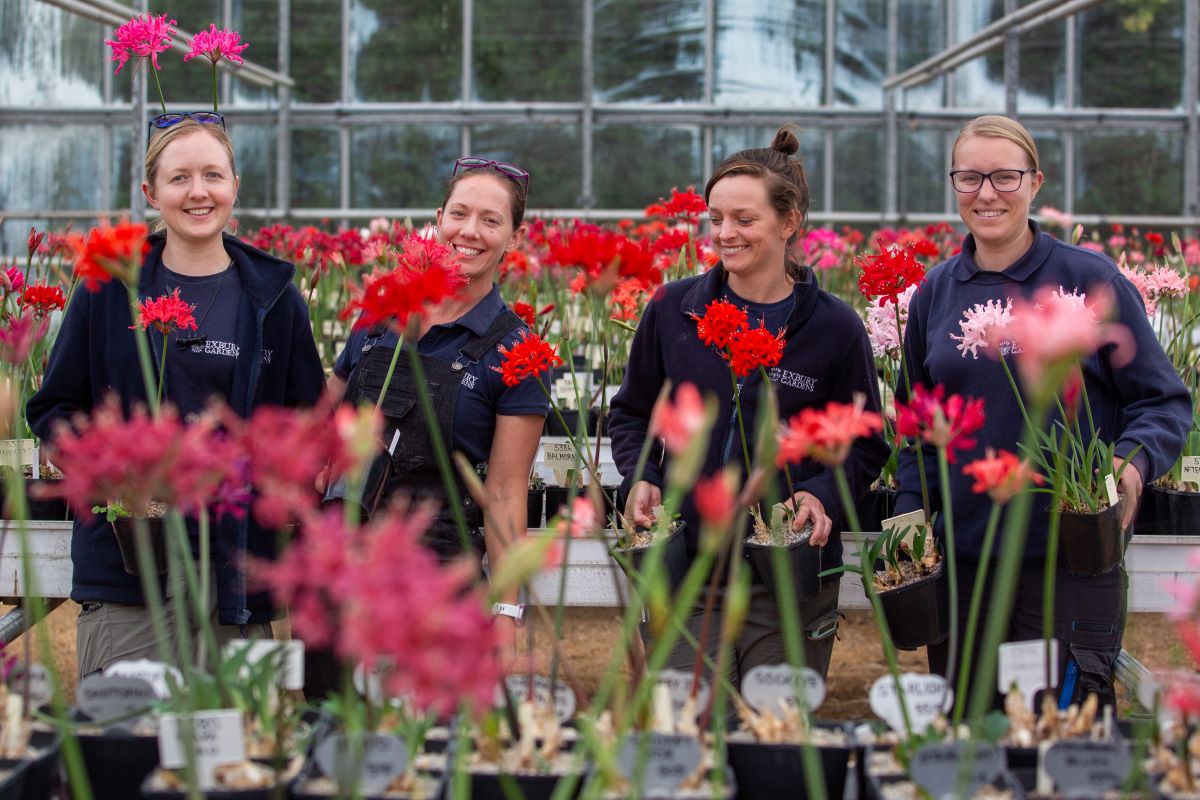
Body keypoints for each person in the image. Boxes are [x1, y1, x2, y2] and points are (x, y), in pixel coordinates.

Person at [895, 114, 1192, 706]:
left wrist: (1128, 467)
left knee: (1061, 741)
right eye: (970, 177)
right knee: (970, 743)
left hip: (1071, 563)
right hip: (965, 566)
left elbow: (1163, 402)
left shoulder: (1088, 280)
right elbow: (916, 428)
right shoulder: (936, 292)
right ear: (953, 184)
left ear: (1036, 182)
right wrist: (908, 511)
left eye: (1005, 177)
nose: (986, 193)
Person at [27, 114, 326, 679]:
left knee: (229, 757)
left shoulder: (276, 302)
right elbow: (52, 409)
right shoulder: (108, 290)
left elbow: (306, 427)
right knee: (126, 749)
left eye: (213, 175)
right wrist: (112, 471)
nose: (198, 192)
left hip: (234, 579)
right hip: (128, 573)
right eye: (179, 178)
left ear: (235, 186)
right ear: (151, 193)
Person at [608, 126, 889, 684]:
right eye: (715, 219)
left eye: (744, 219)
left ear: (789, 223)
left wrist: (818, 493)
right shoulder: (673, 311)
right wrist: (641, 475)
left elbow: (865, 444)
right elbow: (632, 412)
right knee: (688, 728)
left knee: (776, 734)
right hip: (684, 565)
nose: (724, 234)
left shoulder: (834, 327)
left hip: (789, 572)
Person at [309, 157, 547, 696]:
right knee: (333, 740)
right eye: (459, 213)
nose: (470, 231)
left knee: (429, 747)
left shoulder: (515, 349)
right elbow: (324, 417)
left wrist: (507, 610)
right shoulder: (381, 316)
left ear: (515, 237)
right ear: (438, 219)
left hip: (441, 575)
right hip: (345, 567)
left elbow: (506, 492)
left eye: (491, 220)